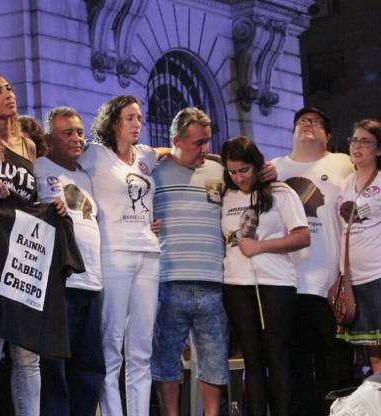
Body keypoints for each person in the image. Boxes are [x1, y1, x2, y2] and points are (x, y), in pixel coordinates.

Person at [0, 69, 81, 416]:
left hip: (27, 255)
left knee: (28, 353)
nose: (8, 95)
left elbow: (32, 198)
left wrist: (54, 204)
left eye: (9, 88)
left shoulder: (28, 143)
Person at [78, 95, 162, 416]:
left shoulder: (145, 156)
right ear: (114, 121)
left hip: (148, 257)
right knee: (110, 348)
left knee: (141, 351)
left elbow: (173, 153)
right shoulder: (95, 154)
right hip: (113, 257)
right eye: (129, 118)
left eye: (139, 118)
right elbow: (63, 158)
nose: (137, 124)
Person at [272, 106, 356, 415]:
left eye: (317, 122)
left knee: (335, 365)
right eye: (303, 121)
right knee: (294, 367)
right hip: (284, 285)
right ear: (292, 131)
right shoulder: (273, 168)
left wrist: (347, 276)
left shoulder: (342, 163)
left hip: (328, 284)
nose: (309, 124)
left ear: (328, 136)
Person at [221, 136, 310, 416]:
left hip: (276, 284)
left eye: (244, 170)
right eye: (233, 172)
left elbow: (303, 236)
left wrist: (261, 246)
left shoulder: (281, 192)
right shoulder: (227, 195)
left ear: (257, 165)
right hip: (236, 285)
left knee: (277, 357)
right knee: (252, 360)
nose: (239, 177)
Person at [150, 107, 229, 416]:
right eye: (198, 142)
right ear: (176, 140)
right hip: (168, 280)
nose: (205, 149)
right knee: (166, 360)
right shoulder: (153, 171)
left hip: (213, 281)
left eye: (207, 141)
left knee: (215, 360)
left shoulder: (219, 171)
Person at [34, 106, 105, 416]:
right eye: (68, 133)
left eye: (79, 132)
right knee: (55, 370)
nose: (77, 138)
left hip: (92, 283)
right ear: (49, 139)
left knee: (89, 370)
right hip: (59, 282)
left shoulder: (87, 175)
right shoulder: (37, 167)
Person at [335, 119, 381, 374]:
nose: (357, 146)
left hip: (378, 276)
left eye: (365, 141)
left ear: (379, 149)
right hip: (352, 282)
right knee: (371, 354)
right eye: (354, 140)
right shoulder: (345, 183)